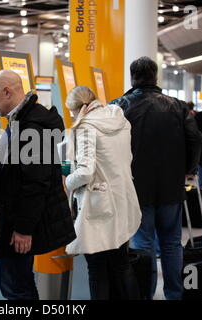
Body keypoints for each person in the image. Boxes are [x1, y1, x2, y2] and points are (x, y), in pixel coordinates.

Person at [109, 56, 202, 300]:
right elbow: (195, 138)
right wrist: (188, 169)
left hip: (136, 188)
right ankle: (174, 294)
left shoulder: (119, 106)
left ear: (132, 77)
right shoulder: (179, 106)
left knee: (143, 243)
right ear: (155, 76)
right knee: (172, 243)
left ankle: (144, 294)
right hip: (172, 187)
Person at [0, 69, 76, 300]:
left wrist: (23, 229)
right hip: (20, 218)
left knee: (16, 287)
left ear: (7, 92)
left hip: (22, 223)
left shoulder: (31, 126)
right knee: (18, 283)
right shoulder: (23, 120)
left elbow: (35, 182)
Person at [63, 85, 142, 300]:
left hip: (97, 206)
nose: (71, 116)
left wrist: (67, 182)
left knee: (96, 269)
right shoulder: (120, 120)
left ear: (79, 108)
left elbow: (86, 172)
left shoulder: (86, 127)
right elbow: (128, 159)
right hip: (122, 198)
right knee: (121, 264)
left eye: (71, 112)